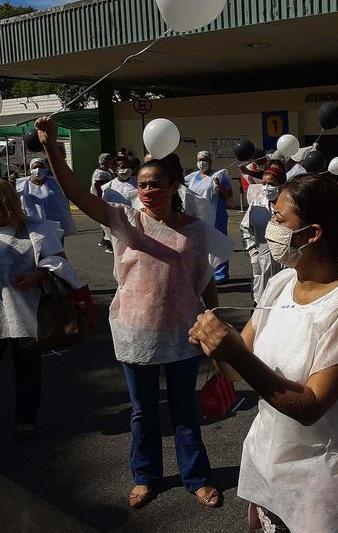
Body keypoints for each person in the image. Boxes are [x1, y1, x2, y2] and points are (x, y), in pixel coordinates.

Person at [187, 175, 338, 532]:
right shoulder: (281, 283)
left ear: (312, 234)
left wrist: (236, 353)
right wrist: (217, 348)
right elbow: (235, 370)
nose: (271, 227)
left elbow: (310, 406)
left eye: (280, 219)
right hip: (270, 466)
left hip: (323, 486)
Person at [35, 116, 231, 510]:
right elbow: (74, 189)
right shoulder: (124, 221)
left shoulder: (196, 230)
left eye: (155, 183)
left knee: (185, 411)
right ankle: (146, 476)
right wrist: (51, 147)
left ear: (174, 185)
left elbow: (205, 279)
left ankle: (197, 477)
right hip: (134, 333)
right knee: (143, 413)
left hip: (183, 335)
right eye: (141, 184)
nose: (146, 191)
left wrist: (217, 329)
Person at [0, 179, 81, 436]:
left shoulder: (35, 228)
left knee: (27, 368)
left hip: (27, 313)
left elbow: (59, 261)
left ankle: (26, 419)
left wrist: (38, 275)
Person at [241, 163, 287, 304]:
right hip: (263, 262)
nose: (267, 187)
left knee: (282, 301)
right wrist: (253, 253)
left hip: (285, 265)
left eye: (271, 184)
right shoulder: (257, 204)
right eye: (265, 183)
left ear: (282, 185)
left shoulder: (290, 206)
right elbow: (245, 228)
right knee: (260, 302)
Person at [187, 151, 233, 283]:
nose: (202, 162)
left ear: (210, 161)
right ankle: (204, 274)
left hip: (217, 215)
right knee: (200, 246)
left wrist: (219, 187)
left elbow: (229, 194)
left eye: (205, 159)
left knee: (218, 244)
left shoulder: (219, 175)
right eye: (199, 159)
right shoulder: (192, 177)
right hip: (199, 216)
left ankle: (221, 274)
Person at [16, 158, 77, 238]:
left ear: (46, 169)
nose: (38, 170)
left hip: (55, 224)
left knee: (57, 248)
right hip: (33, 226)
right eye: (35, 167)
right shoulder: (22, 184)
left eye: (41, 167)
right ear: (30, 169)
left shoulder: (55, 183)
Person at [91, 153, 115, 250]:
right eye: (107, 159)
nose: (110, 161)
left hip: (107, 199)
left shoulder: (108, 171)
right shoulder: (100, 173)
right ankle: (108, 243)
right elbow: (100, 188)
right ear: (103, 161)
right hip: (103, 199)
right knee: (107, 222)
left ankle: (104, 240)